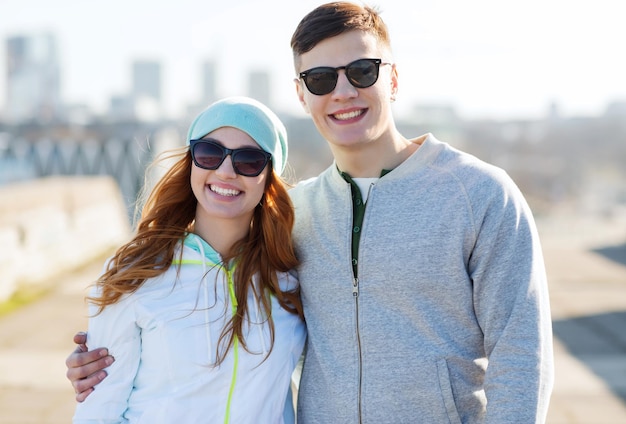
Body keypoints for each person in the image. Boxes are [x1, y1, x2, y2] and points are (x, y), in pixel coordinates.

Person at [67, 2, 554, 423]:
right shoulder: (293, 219)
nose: (342, 92)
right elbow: (204, 306)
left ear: (394, 78)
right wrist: (101, 359)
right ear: (302, 94)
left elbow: (522, 356)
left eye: (362, 71)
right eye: (321, 79)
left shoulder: (480, 196)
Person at [71, 96, 306, 423]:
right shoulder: (135, 272)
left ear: (268, 178)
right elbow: (99, 411)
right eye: (209, 153)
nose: (225, 172)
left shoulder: (290, 278)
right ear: (191, 161)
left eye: (248, 160)